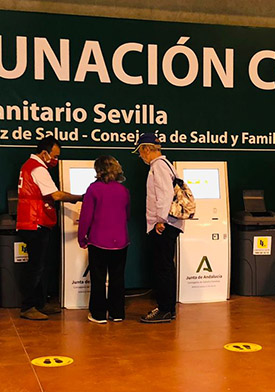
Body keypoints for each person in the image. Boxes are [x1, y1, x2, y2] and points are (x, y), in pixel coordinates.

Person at [16, 136, 83, 321]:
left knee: (39, 265)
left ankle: (38, 304)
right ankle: (28, 306)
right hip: (35, 222)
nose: (56, 160)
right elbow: (56, 195)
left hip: (31, 221)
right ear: (44, 153)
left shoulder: (28, 165)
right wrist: (82, 197)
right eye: (55, 156)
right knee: (35, 267)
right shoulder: (39, 168)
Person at [135, 133, 184, 324]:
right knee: (165, 267)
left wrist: (161, 220)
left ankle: (165, 309)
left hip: (164, 224)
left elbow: (165, 194)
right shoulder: (166, 165)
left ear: (147, 149)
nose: (140, 156)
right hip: (168, 223)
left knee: (163, 268)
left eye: (140, 151)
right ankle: (167, 308)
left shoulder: (159, 166)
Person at [77, 156, 131, 324]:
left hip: (99, 241)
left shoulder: (93, 189)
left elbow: (86, 217)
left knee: (99, 279)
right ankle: (117, 313)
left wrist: (82, 237)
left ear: (98, 170)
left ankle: (99, 314)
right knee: (118, 277)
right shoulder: (124, 190)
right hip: (121, 241)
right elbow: (127, 215)